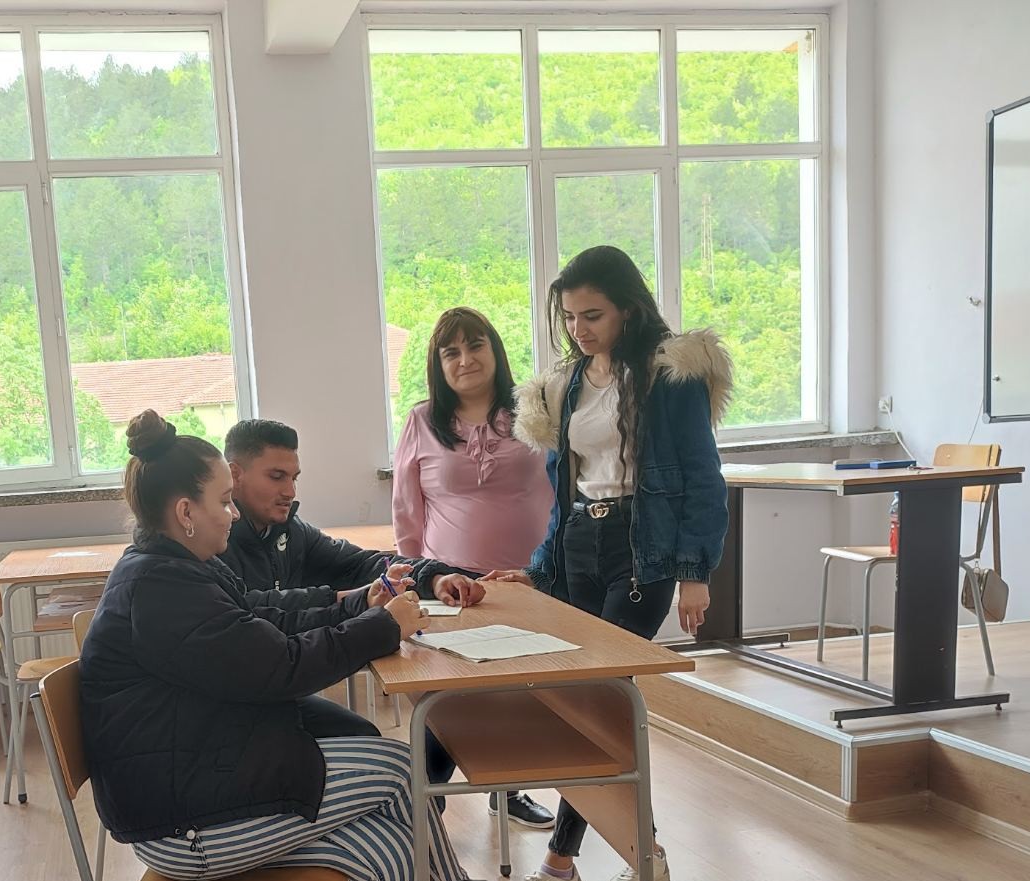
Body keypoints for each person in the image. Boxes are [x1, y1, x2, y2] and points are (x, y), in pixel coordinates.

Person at [80, 410, 467, 881]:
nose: (233, 514)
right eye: (224, 501)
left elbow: (263, 615)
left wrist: (360, 606)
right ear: (185, 513)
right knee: (403, 774)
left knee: (392, 847)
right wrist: (383, 627)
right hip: (182, 822)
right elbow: (281, 667)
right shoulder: (162, 586)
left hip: (197, 772)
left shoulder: (175, 566)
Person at [487, 245, 732, 881]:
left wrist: (695, 572)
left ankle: (567, 859)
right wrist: (539, 566)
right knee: (585, 702)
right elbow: (563, 488)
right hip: (578, 544)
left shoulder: (669, 375)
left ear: (628, 308)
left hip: (641, 546)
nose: (579, 329)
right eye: (569, 317)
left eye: (592, 315)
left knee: (598, 698)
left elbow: (703, 477)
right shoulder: (565, 385)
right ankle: (638, 853)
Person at [392, 306, 557, 829]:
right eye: (451, 352)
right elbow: (406, 506)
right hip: (450, 583)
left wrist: (551, 566)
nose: (465, 360)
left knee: (519, 691)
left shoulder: (535, 409)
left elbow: (564, 485)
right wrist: (415, 576)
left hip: (527, 578)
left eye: (475, 345)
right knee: (450, 692)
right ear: (438, 365)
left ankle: (507, 790)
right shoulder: (422, 421)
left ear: (495, 350)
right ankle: (427, 802)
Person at [219, 419, 486, 608]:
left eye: (294, 478)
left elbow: (360, 564)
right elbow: (250, 607)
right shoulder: (212, 544)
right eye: (277, 477)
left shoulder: (292, 531)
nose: (290, 491)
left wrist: (434, 578)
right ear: (235, 474)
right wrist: (352, 599)